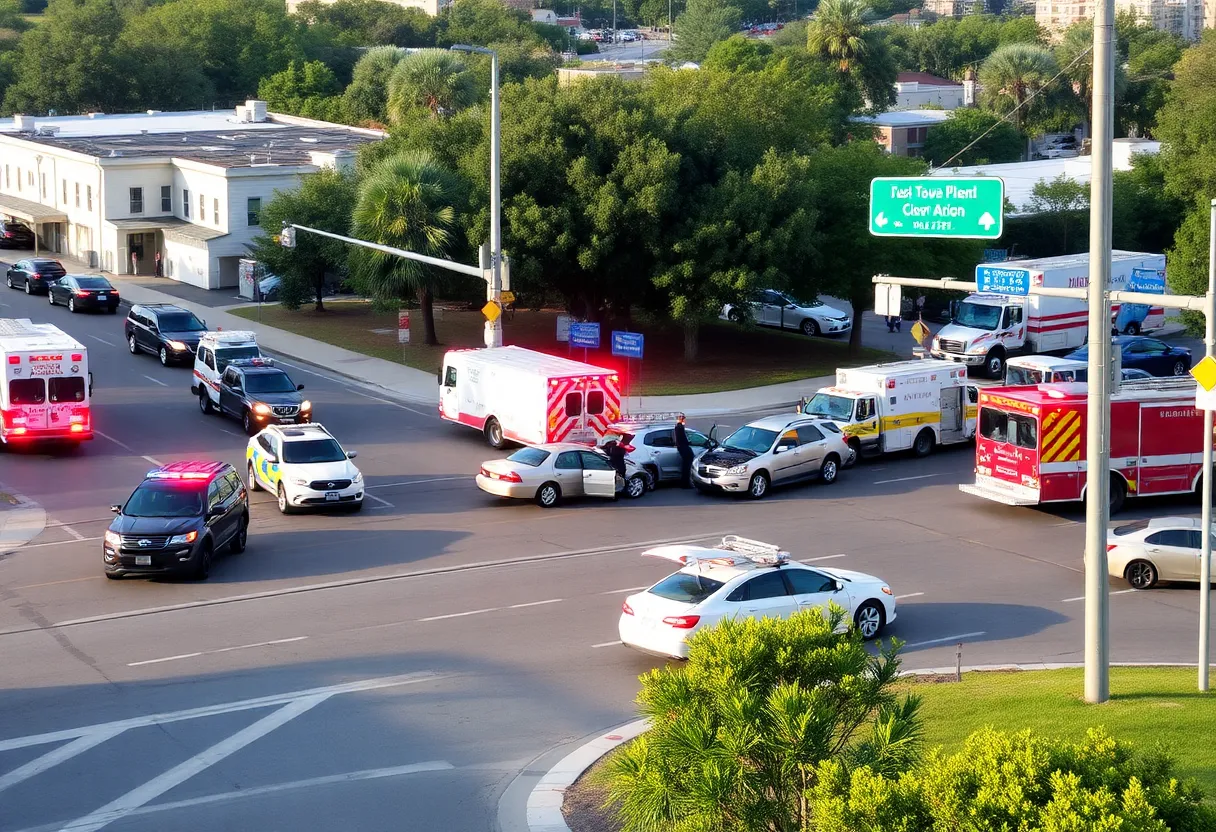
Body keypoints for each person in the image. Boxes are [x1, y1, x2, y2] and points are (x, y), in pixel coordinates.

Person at [674, 414, 694, 488]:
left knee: (686, 466)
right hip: (684, 448)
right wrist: (687, 443)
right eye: (683, 419)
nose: (684, 420)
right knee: (687, 466)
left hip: (682, 447)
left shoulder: (679, 426)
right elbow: (681, 438)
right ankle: (685, 483)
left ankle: (684, 482)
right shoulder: (679, 427)